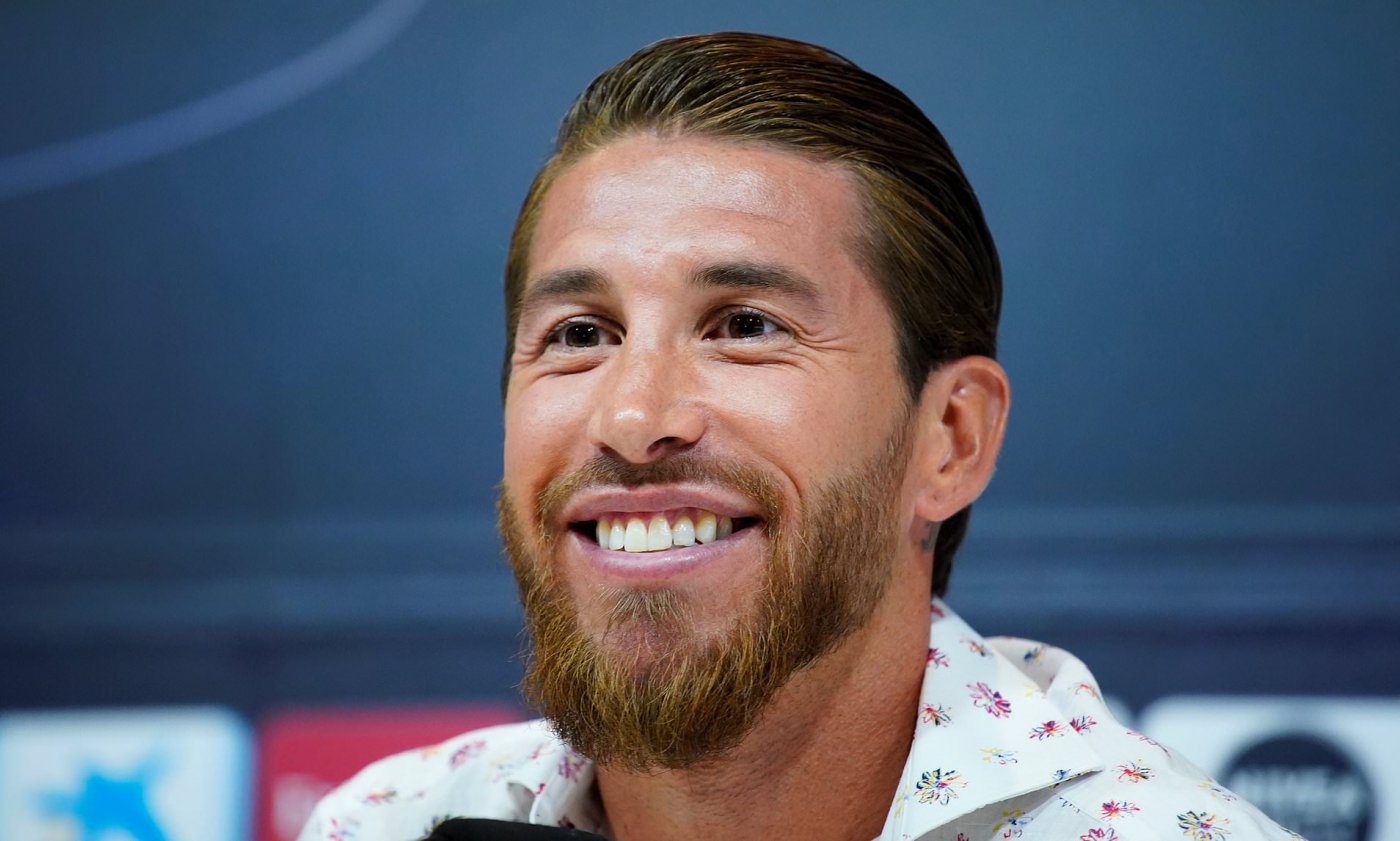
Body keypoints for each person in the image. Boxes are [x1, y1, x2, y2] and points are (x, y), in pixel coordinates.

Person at [300, 32, 1300, 841]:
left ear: (949, 439)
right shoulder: (383, 824)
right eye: (580, 335)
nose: (634, 418)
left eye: (744, 325)